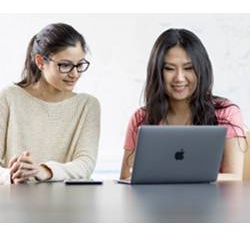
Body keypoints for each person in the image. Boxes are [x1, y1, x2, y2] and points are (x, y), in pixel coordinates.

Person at [120, 28, 246, 180]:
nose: (179, 78)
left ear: (201, 69)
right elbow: (126, 179)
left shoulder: (226, 113)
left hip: (211, 202)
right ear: (157, 72)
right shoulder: (141, 118)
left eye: (188, 68)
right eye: (169, 69)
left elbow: (234, 179)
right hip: (158, 202)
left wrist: (176, 177)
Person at [0, 23, 100, 184]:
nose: (74, 74)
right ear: (40, 62)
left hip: (66, 203)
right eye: (65, 65)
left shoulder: (88, 105)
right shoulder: (9, 97)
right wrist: (10, 175)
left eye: (80, 64)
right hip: (13, 201)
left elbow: (85, 165)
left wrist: (44, 170)